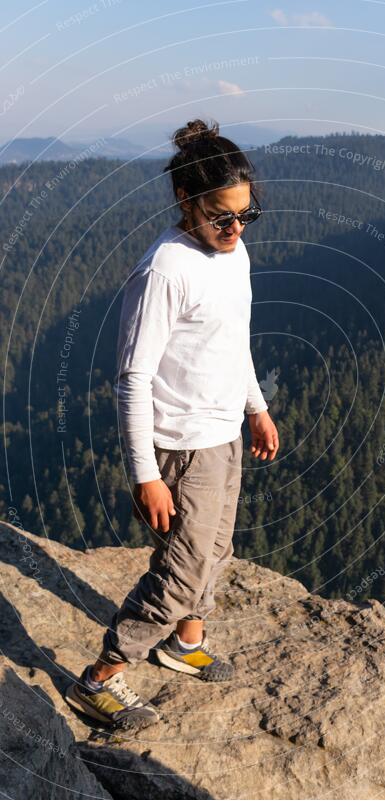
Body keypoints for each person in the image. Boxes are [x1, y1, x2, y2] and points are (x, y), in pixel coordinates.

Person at [65, 118, 279, 729]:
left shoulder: (233, 255)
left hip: (223, 436)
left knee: (213, 550)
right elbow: (132, 377)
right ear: (186, 201)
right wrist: (145, 475)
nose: (235, 228)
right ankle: (101, 676)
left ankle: (183, 645)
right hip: (179, 449)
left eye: (246, 214)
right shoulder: (164, 270)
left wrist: (255, 407)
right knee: (181, 572)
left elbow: (234, 345)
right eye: (221, 216)